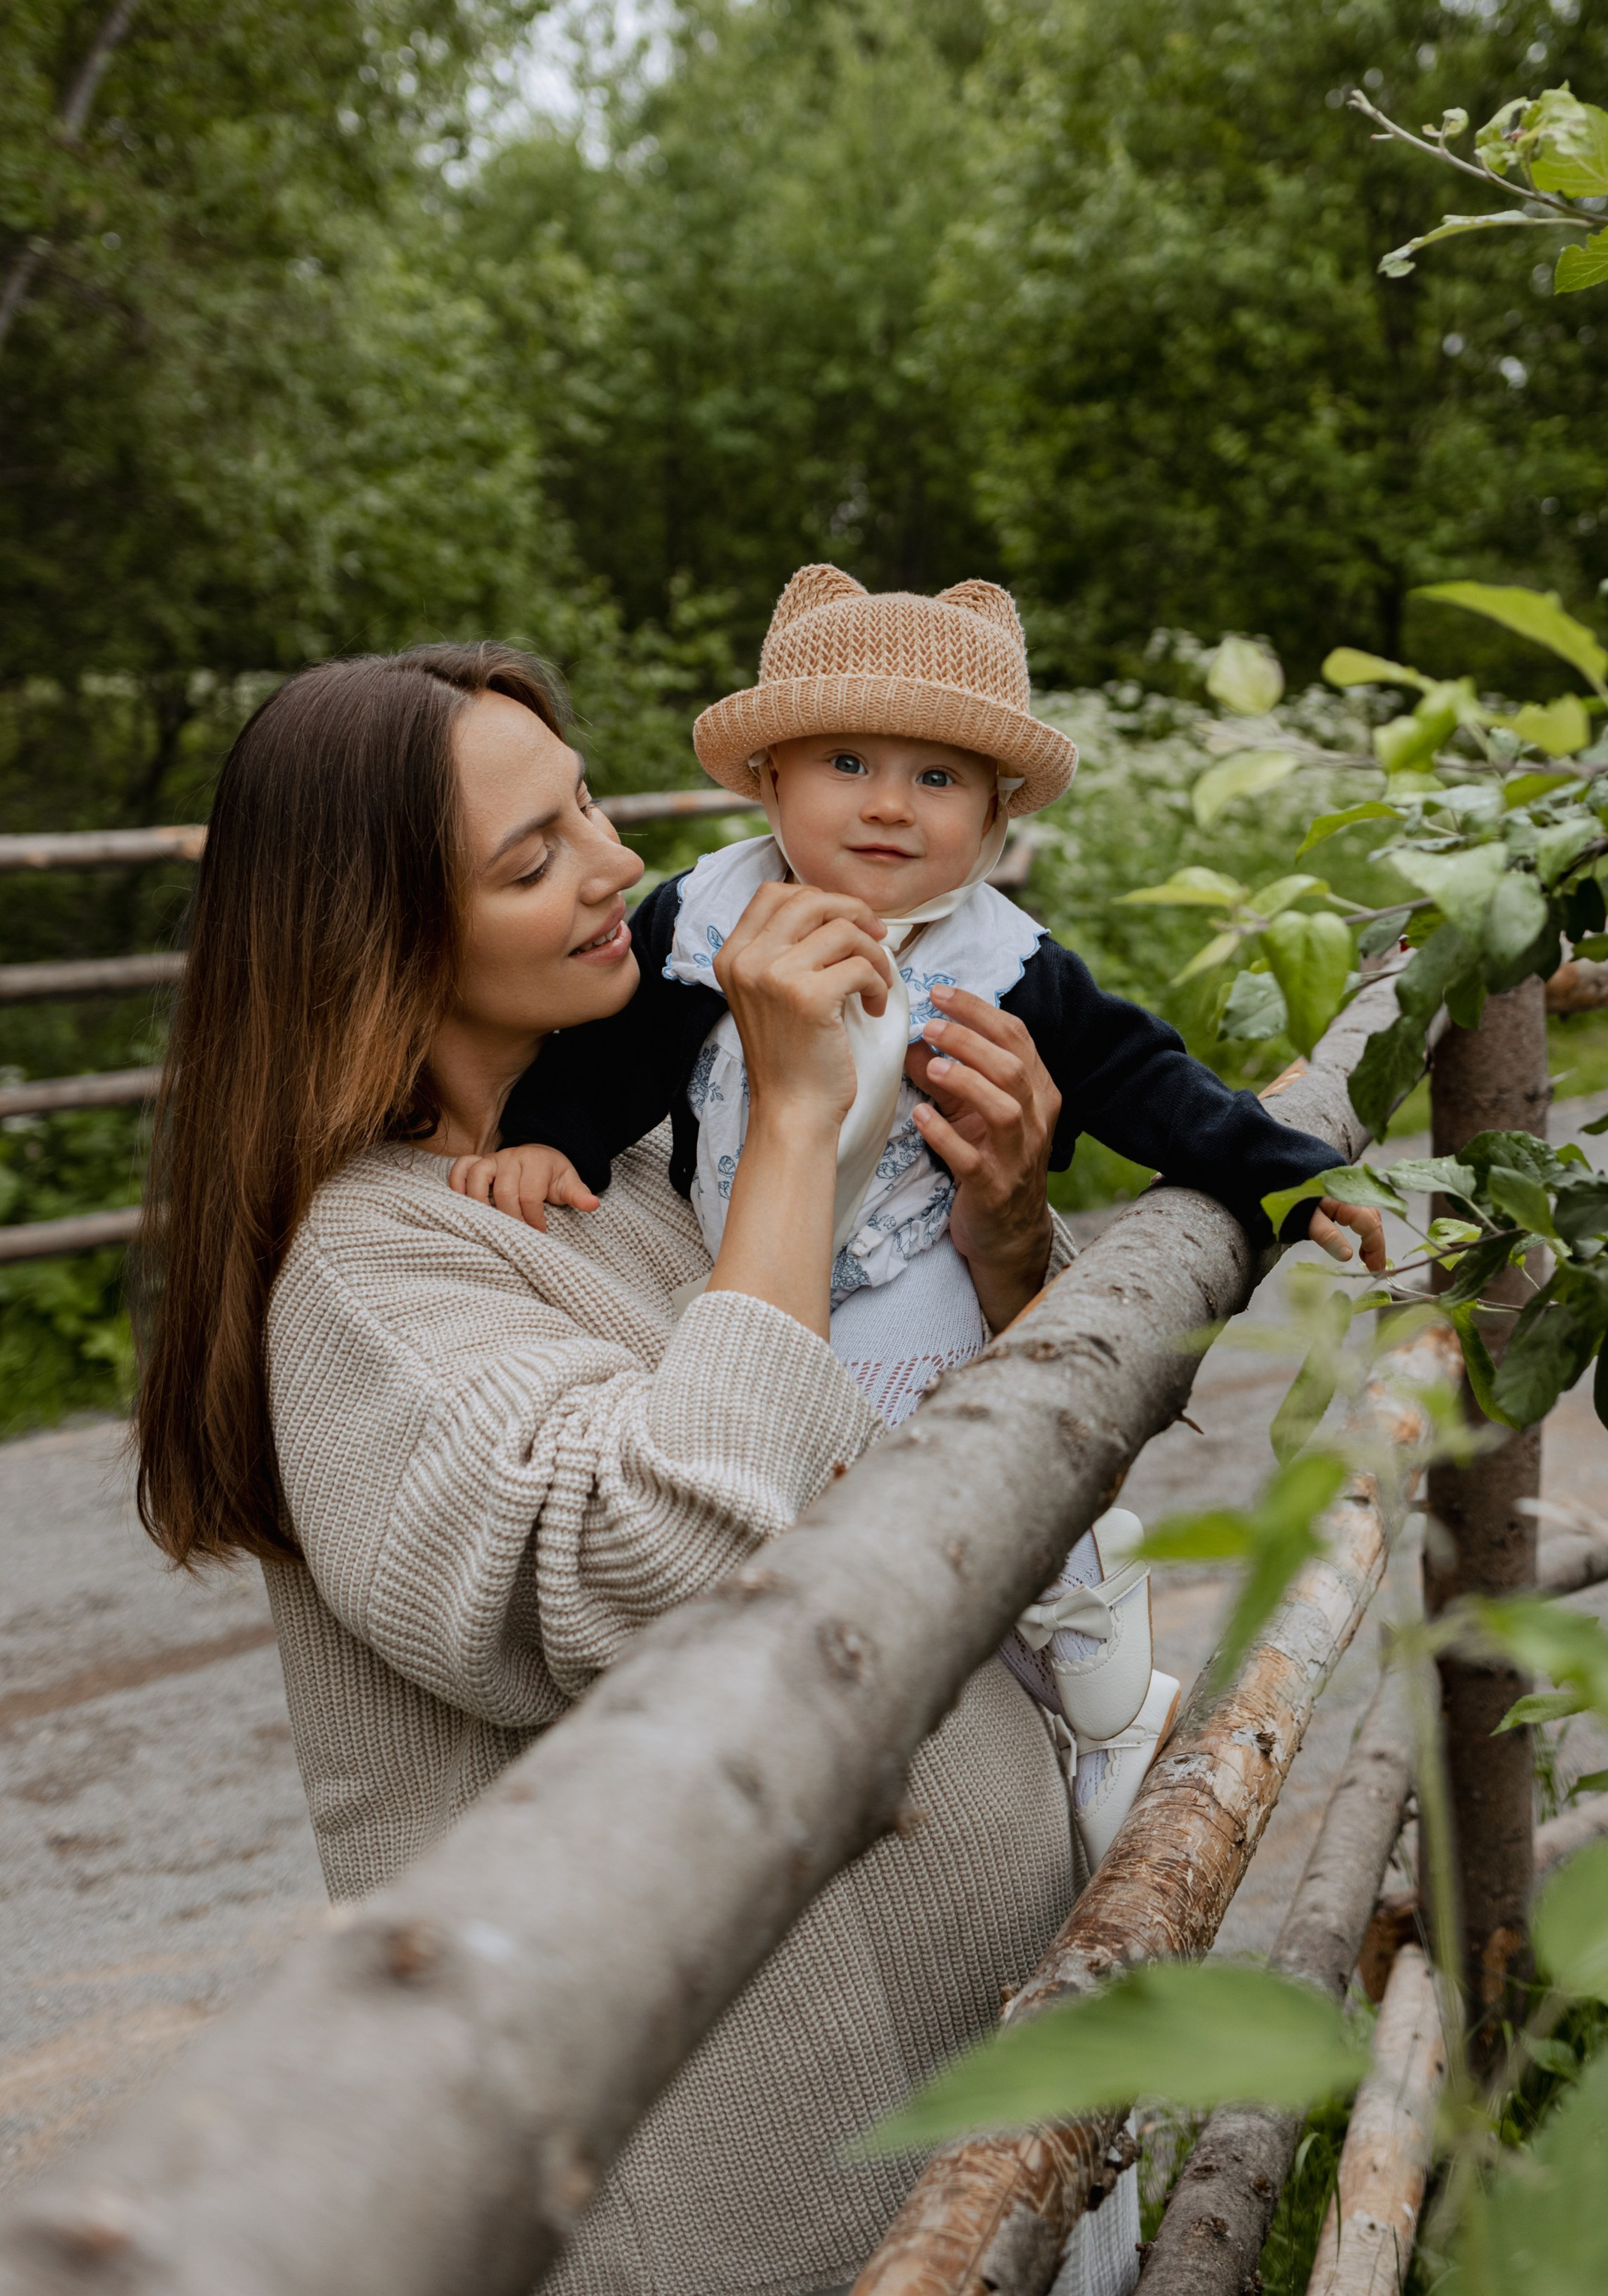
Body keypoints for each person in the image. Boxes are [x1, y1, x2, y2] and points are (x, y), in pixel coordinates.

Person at [131, 642, 1105, 2296]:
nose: (616, 867)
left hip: (986, 2082)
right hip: (757, 2192)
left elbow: (957, 1434)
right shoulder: (373, 1272)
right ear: (376, 942)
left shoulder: (639, 1151)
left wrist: (1004, 1234)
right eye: (533, 861)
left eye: (588, 806)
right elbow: (639, 1576)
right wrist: (799, 1125)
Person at [461, 568, 1384, 1866]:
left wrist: (1288, 1174)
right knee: (810, 1521)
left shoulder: (1006, 964)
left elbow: (1148, 1084)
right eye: (847, 763)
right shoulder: (701, 920)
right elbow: (614, 1066)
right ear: (770, 779)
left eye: (939, 778)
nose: (890, 804)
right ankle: (869, 1765)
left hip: (920, 1289)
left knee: (993, 1490)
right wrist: (549, 1142)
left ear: (997, 812)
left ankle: (1106, 1701)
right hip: (752, 1279)